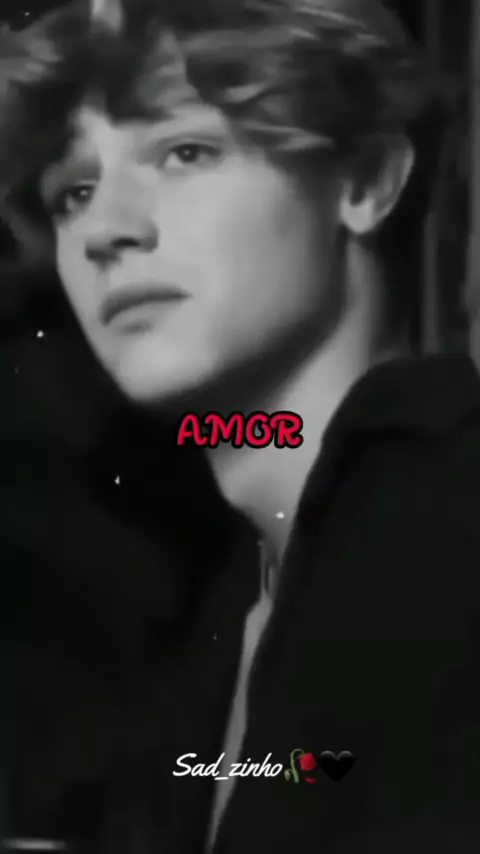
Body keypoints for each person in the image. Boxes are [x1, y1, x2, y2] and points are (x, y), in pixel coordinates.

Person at [1, 0, 480, 852]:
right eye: (73, 192)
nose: (106, 229)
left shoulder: (453, 527)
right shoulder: (219, 615)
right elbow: (310, 773)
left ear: (365, 183)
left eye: (185, 152)